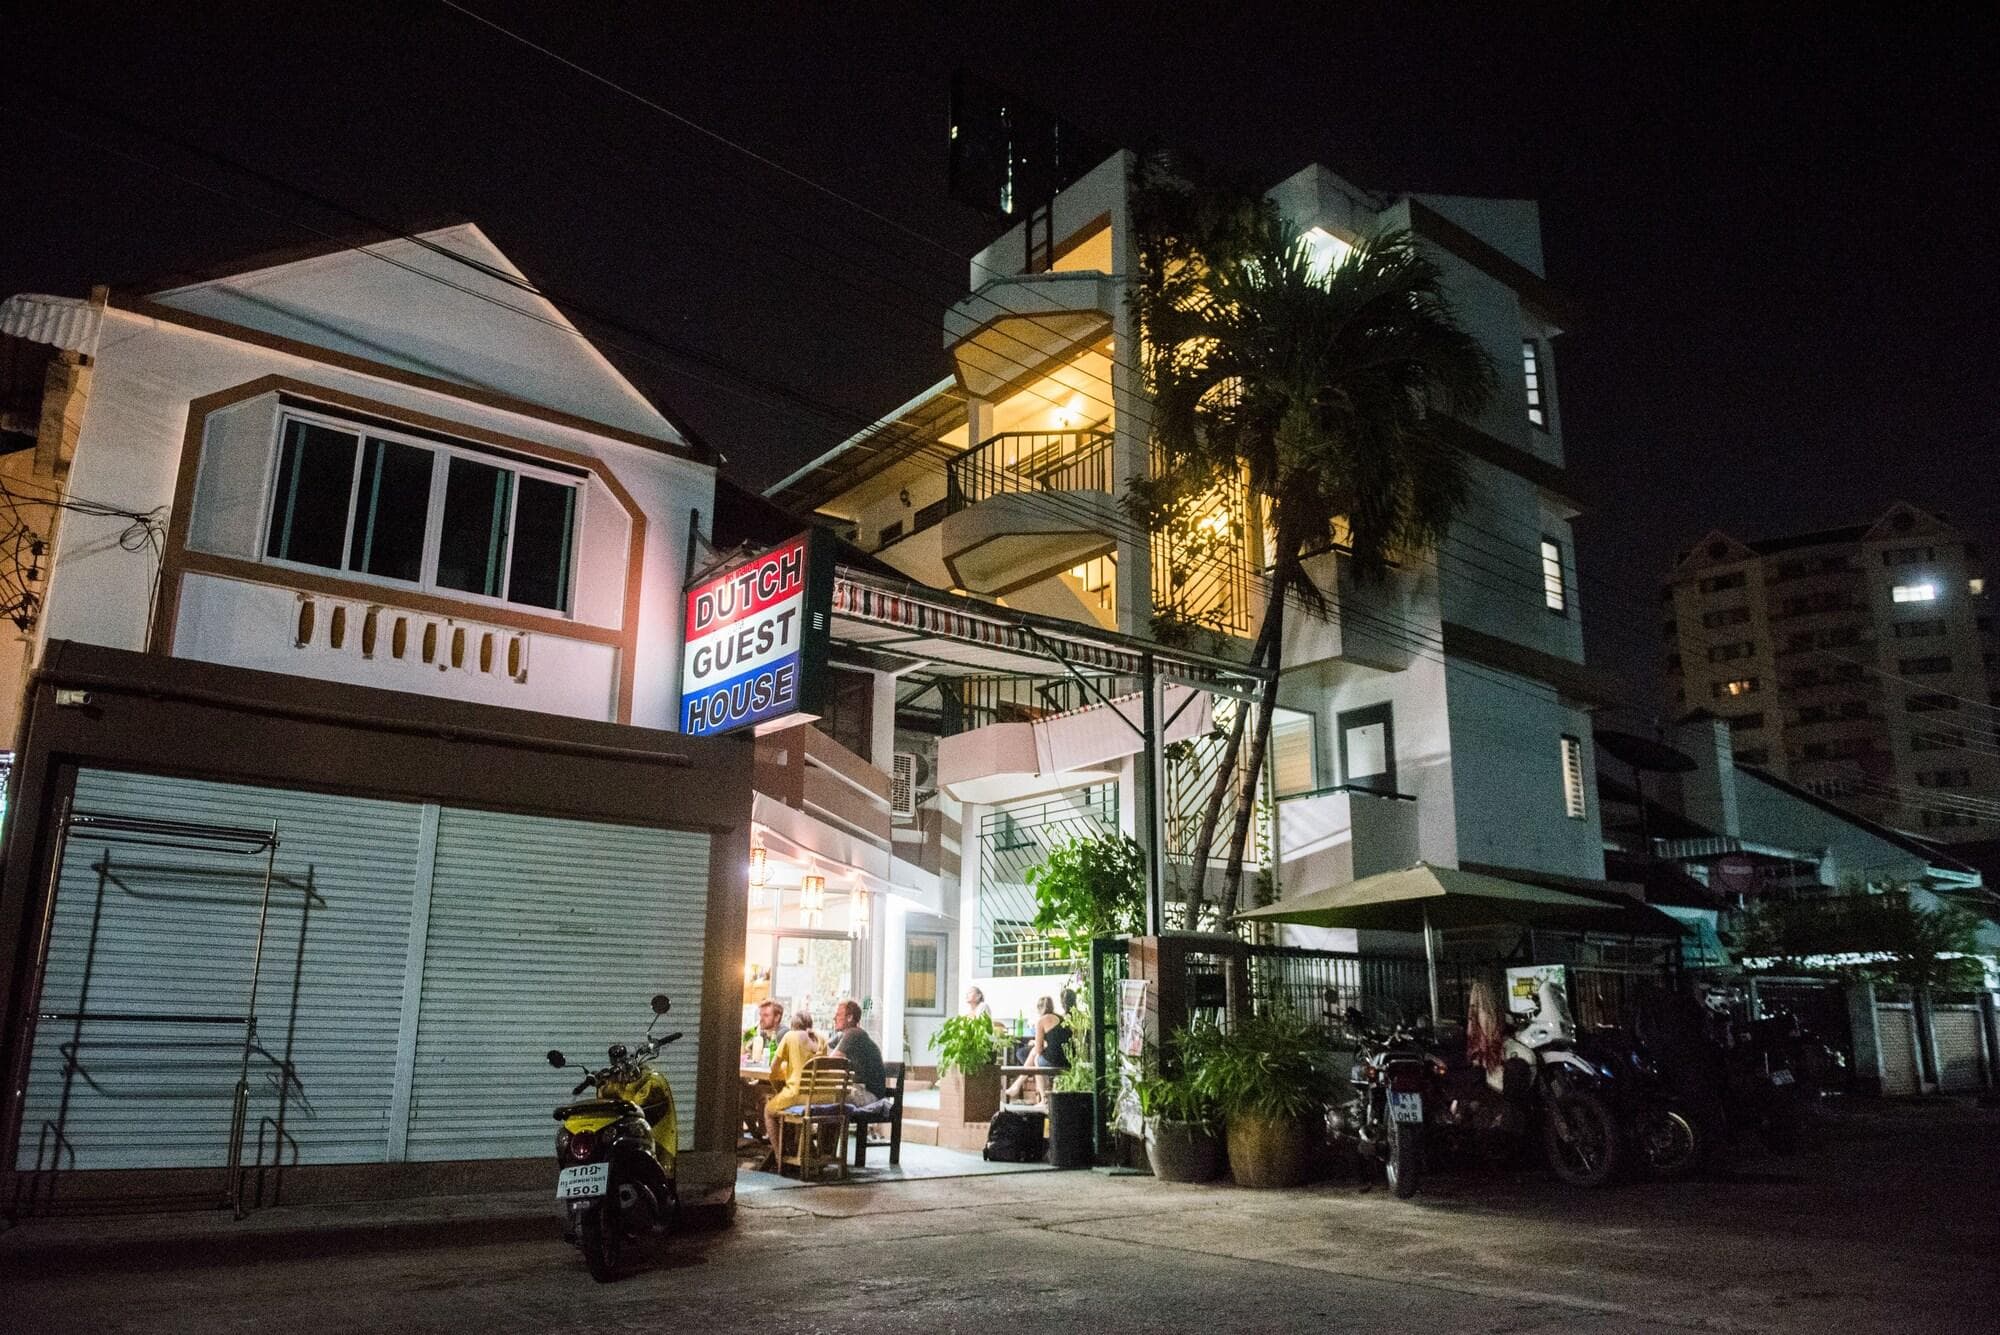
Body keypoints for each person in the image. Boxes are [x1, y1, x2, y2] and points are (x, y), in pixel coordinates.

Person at [760, 1011, 830, 1167]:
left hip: (797, 1095)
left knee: (769, 1110)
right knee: (785, 1104)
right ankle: (800, 1148)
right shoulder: (822, 1039)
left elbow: (774, 1067)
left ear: (793, 1025)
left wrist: (782, 1073)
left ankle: (779, 1156)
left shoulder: (790, 1037)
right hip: (819, 1098)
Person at [1005, 996, 1070, 1102]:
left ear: (1038, 1009)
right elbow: (1057, 1040)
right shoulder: (1060, 1018)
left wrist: (1036, 1043)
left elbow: (1039, 1049)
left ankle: (1043, 1098)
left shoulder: (1041, 1021)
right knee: (1035, 1053)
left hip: (1055, 1060)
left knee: (1036, 1057)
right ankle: (1017, 1085)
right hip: (1067, 1058)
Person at [828, 999, 887, 1104]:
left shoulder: (854, 1034)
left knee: (826, 1096)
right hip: (860, 1090)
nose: (834, 1018)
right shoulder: (845, 1035)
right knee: (826, 1095)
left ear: (850, 1017)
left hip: (870, 1095)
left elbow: (828, 1061)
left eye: (838, 1015)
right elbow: (825, 1048)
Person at [742, 997, 784, 1065]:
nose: (761, 1019)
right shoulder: (761, 1033)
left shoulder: (782, 1034)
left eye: (766, 1015)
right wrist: (745, 1038)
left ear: (777, 1017)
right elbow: (746, 1053)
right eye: (760, 1015)